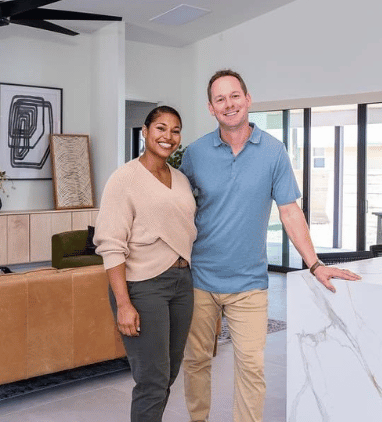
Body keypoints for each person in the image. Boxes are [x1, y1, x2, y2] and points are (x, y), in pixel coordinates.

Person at [180, 69, 361, 422]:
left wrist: (315, 263)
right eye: (220, 99)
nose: (229, 104)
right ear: (211, 107)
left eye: (235, 96)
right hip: (200, 279)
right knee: (197, 361)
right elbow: (179, 208)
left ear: (248, 100)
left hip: (249, 284)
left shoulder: (273, 152)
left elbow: (290, 211)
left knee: (251, 368)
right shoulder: (196, 153)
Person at [94, 105, 197, 422]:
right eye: (161, 128)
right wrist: (123, 304)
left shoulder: (179, 179)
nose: (168, 136)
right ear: (145, 132)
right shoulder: (124, 178)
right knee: (152, 380)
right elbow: (110, 243)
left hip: (182, 282)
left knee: (168, 373)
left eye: (175, 130)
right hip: (143, 285)